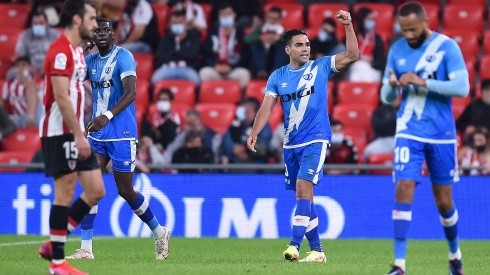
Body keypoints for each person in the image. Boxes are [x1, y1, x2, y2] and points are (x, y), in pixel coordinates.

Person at [246, 10, 359, 262]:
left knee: (302, 188)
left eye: (307, 44)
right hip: (291, 143)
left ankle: (294, 245)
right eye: (299, 45)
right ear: (288, 50)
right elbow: (267, 107)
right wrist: (254, 131)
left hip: (316, 138)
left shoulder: (320, 67)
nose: (305, 48)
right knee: (305, 196)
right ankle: (317, 251)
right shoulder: (278, 76)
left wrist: (349, 26)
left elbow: (353, 55)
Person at [66, 17, 170, 261]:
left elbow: (131, 92)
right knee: (91, 187)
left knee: (125, 190)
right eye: (97, 31)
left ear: (113, 34)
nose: (101, 34)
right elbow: (68, 77)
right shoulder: (90, 60)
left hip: (121, 134)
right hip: (97, 135)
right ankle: (86, 249)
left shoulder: (124, 56)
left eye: (106, 30)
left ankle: (159, 231)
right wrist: (81, 50)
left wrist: (106, 115)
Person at [380, 2, 469, 275]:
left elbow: (462, 88)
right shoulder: (396, 50)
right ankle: (399, 264)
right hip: (409, 129)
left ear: (425, 21)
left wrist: (423, 82)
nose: (408, 34)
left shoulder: (447, 47)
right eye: (403, 29)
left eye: (412, 29)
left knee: (444, 202)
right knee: (404, 186)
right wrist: (392, 87)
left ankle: (454, 255)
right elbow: (385, 96)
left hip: (441, 133)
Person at [36, 1, 106, 275]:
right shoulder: (61, 52)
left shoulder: (75, 51)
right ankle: (57, 265)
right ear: (77, 20)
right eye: (90, 18)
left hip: (75, 133)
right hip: (61, 132)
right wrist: (78, 134)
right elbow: (61, 96)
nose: (95, 23)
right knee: (64, 193)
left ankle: (54, 244)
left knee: (96, 190)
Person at [150, 10, 201, 85]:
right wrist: (181, 53)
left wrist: (173, 53)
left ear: (186, 24)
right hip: (167, 68)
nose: (177, 25)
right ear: (170, 25)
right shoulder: (166, 39)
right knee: (154, 80)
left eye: (180, 23)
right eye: (174, 23)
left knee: (196, 80)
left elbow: (192, 55)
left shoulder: (193, 38)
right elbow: (161, 56)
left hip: (186, 68)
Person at [347, 7, 386, 82]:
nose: (372, 22)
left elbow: (381, 61)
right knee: (358, 67)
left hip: (372, 69)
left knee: (359, 70)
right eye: (369, 19)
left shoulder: (376, 38)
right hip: (353, 68)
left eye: (372, 20)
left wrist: (370, 63)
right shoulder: (351, 37)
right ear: (361, 20)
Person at [456, 79, 490, 146]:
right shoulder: (473, 106)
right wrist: (467, 127)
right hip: (473, 142)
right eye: (487, 90)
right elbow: (458, 124)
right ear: (482, 91)